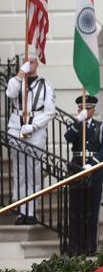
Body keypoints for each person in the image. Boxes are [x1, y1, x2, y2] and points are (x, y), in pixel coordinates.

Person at [4, 49, 56, 225]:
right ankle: (21, 210)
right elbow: (10, 94)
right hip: (16, 127)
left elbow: (50, 112)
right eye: (26, 61)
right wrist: (20, 75)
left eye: (32, 62)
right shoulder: (16, 81)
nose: (29, 64)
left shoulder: (45, 85)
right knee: (19, 172)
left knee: (33, 171)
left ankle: (32, 211)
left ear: (37, 63)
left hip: (35, 130)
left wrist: (33, 125)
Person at [65, 94, 103, 255]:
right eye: (81, 108)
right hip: (77, 167)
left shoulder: (100, 126)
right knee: (76, 210)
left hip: (93, 170)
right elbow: (68, 137)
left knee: (91, 211)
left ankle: (90, 247)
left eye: (87, 109)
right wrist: (79, 121)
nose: (85, 111)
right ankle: (76, 246)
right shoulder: (76, 125)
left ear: (93, 110)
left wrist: (91, 165)